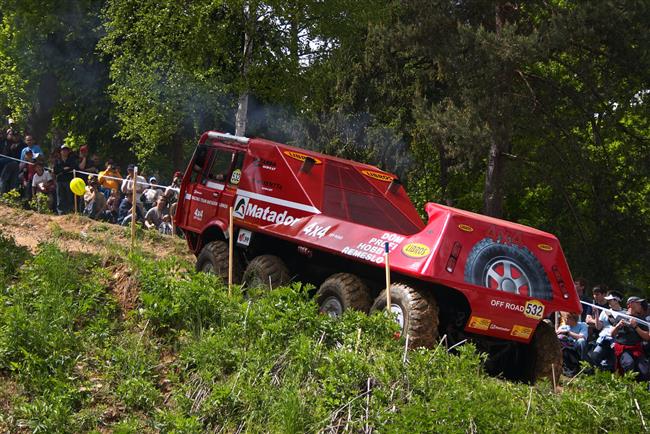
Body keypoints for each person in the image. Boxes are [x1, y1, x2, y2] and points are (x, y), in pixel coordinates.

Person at [610, 296, 650, 380]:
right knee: (629, 364)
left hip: (636, 350)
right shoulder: (620, 317)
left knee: (645, 371)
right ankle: (627, 388)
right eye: (638, 303)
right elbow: (612, 334)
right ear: (631, 304)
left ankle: (640, 390)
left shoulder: (641, 320)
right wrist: (618, 326)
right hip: (623, 350)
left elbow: (647, 337)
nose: (640, 305)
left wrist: (636, 327)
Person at [588, 291, 625, 371]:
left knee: (613, 363)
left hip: (616, 342)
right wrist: (597, 314)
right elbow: (598, 327)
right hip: (604, 340)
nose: (608, 302)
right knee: (594, 357)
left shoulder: (625, 314)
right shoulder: (605, 312)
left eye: (610, 300)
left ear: (616, 300)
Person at [556, 312, 589, 376]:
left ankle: (583, 364)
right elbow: (556, 336)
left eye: (567, 318)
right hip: (567, 348)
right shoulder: (563, 327)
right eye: (565, 318)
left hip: (577, 346)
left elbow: (582, 337)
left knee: (581, 341)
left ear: (573, 319)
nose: (565, 320)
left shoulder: (582, 325)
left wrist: (568, 333)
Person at [53, 144, 78, 214]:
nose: (65, 152)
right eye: (63, 150)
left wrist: (62, 170)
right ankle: (61, 212)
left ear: (68, 151)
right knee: (60, 197)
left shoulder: (71, 160)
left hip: (69, 181)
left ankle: (70, 211)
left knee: (69, 197)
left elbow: (74, 168)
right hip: (60, 181)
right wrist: (64, 169)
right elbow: (55, 170)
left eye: (66, 150)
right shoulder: (57, 160)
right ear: (61, 151)